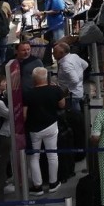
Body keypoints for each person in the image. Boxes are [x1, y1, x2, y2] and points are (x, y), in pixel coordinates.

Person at [22, 67, 65, 195]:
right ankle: (53, 183)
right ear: (46, 77)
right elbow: (62, 105)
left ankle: (37, 186)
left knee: (34, 157)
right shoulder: (55, 89)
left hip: (34, 128)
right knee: (52, 155)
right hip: (51, 125)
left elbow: (24, 115)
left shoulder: (28, 94)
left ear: (33, 79)